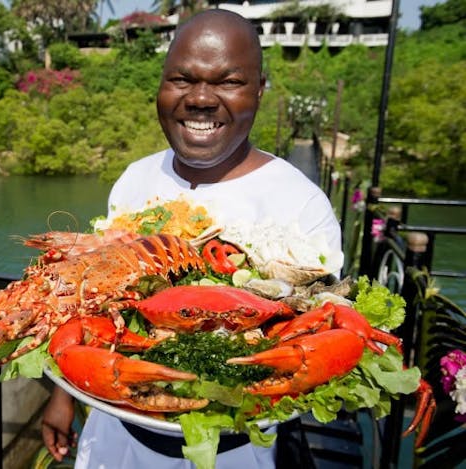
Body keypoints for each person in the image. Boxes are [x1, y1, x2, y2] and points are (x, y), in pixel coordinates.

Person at [41, 8, 341, 469]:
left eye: (228, 81)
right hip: (113, 435)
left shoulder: (301, 202)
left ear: (260, 89)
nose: (201, 98)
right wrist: (63, 395)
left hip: (239, 451)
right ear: (159, 86)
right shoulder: (134, 180)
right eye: (181, 79)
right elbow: (89, 308)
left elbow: (325, 328)